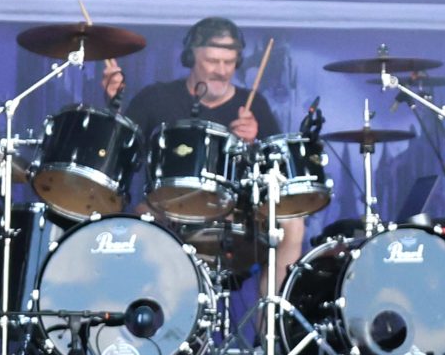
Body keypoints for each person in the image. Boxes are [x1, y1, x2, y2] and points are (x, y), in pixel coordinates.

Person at [101, 17, 305, 278]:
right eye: (212, 61)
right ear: (191, 58)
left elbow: (278, 173)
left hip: (236, 212)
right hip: (167, 206)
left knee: (293, 224)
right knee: (135, 220)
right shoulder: (156, 97)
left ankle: (273, 305)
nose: (221, 70)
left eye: (229, 62)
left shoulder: (255, 105)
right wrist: (114, 105)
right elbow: (122, 150)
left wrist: (254, 145)